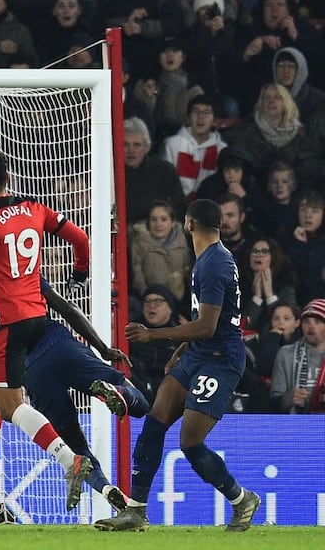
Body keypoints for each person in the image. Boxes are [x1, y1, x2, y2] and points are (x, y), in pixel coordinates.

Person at [0, 148, 94, 511]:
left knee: (11, 406)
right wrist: (80, 272)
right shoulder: (35, 208)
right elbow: (81, 240)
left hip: (9, 324)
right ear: (8, 178)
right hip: (35, 316)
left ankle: (68, 460)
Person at [96, 198, 261, 532]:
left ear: (188, 224)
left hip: (221, 361)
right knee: (155, 424)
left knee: (189, 442)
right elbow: (207, 320)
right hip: (199, 354)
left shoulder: (213, 263)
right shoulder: (209, 259)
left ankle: (242, 499)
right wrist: (181, 350)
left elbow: (209, 326)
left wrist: (154, 335)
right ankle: (136, 510)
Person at [0, 278, 151, 514]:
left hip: (33, 375)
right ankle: (114, 392)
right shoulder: (20, 272)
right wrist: (103, 348)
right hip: (60, 346)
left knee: (75, 445)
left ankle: (106, 489)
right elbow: (67, 308)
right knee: (141, 404)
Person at [161, 95, 227, 201]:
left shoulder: (221, 150)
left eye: (206, 112)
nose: (200, 117)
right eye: (196, 112)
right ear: (188, 117)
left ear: (215, 120)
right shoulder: (172, 144)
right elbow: (164, 182)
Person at [123, 118, 187, 225]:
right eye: (125, 145)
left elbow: (180, 207)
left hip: (158, 234)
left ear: (147, 147)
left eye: (137, 145)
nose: (131, 150)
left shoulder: (165, 171)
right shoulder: (109, 174)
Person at [269, 299, 325, 414]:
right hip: (297, 426)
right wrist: (289, 398)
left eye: (317, 321)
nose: (311, 326)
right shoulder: (285, 354)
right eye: (306, 321)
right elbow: (273, 402)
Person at [130, 201, 192, 303]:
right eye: (154, 220)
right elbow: (137, 275)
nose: (158, 224)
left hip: (181, 302)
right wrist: (149, 299)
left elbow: (189, 271)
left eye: (164, 219)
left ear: (173, 223)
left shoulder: (185, 241)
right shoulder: (139, 243)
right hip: (148, 301)